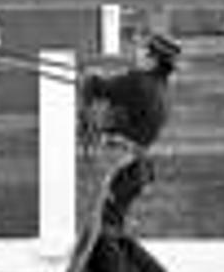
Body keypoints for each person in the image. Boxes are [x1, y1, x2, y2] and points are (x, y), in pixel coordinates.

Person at [68, 34, 182, 272]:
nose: (137, 53)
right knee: (110, 227)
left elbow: (101, 88)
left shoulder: (138, 82)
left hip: (118, 166)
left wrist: (87, 81)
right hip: (136, 168)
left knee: (101, 230)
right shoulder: (160, 87)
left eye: (143, 51)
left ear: (152, 60)